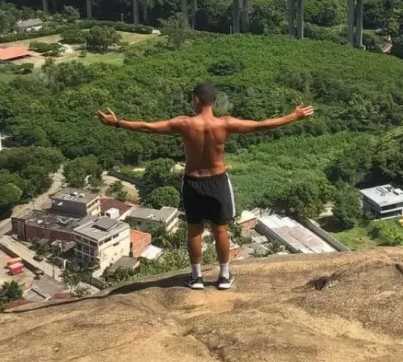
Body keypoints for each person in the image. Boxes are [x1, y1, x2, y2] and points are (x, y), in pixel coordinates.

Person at [97, 83, 314, 291]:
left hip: (193, 182)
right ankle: (224, 276)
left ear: (196, 100)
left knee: (194, 230)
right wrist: (293, 116)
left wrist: (117, 122)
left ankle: (196, 277)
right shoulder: (225, 124)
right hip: (218, 181)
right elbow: (261, 125)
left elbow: (148, 127)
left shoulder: (184, 124)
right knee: (221, 229)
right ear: (213, 102)